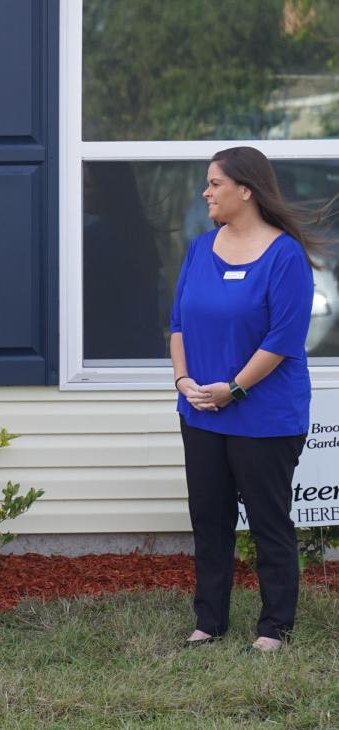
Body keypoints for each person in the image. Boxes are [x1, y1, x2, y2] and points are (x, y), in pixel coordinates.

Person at [171, 146, 324, 653]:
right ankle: (209, 622)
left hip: (264, 414)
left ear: (246, 190)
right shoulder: (199, 249)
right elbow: (178, 324)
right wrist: (183, 381)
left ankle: (274, 627)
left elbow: (282, 339)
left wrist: (234, 387)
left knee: (267, 522)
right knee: (209, 520)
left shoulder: (285, 256)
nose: (206, 192)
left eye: (214, 183)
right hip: (201, 411)